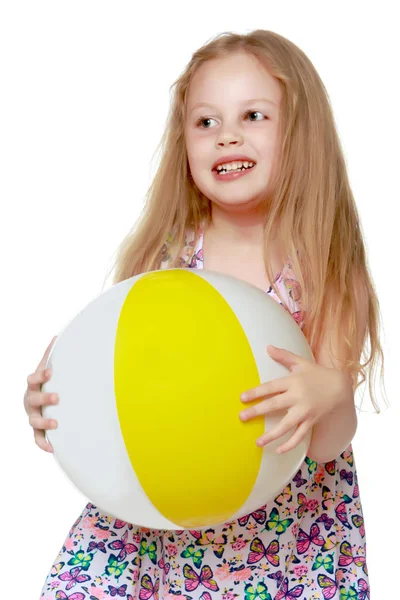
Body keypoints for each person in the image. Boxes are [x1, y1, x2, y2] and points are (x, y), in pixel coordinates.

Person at [24, 29, 386, 600]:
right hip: (156, 527)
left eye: (255, 115)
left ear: (302, 132)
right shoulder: (165, 257)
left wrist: (333, 395)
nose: (227, 136)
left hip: (281, 541)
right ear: (184, 141)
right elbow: (110, 373)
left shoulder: (327, 269)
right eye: (206, 122)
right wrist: (49, 401)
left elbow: (326, 442)